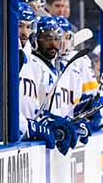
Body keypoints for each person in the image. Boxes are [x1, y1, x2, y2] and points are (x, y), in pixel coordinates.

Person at [18, 16, 78, 155]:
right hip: (23, 137)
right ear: (35, 40)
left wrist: (59, 121)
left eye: (56, 39)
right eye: (47, 38)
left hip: (36, 139)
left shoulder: (54, 69)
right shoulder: (32, 63)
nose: (53, 44)